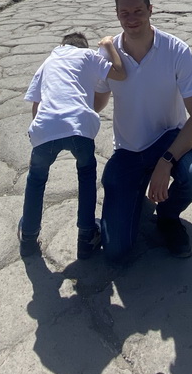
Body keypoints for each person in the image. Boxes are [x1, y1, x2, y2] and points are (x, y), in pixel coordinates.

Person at [94, 0, 192, 261]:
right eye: (125, 13)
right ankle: (128, 200)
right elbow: (97, 104)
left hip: (168, 138)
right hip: (129, 148)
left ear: (150, 10)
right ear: (117, 14)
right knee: (115, 252)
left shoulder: (176, 51)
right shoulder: (108, 55)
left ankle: (168, 216)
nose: (131, 19)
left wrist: (166, 160)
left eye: (138, 11)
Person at [19, 31, 126, 259]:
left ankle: (28, 236)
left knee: (36, 181)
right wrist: (109, 46)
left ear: (62, 45)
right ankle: (86, 236)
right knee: (86, 176)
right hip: (79, 126)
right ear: (83, 46)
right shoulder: (87, 56)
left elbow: (36, 104)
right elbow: (120, 72)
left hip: (46, 127)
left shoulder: (48, 62)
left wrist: (37, 133)